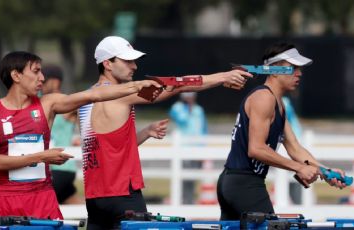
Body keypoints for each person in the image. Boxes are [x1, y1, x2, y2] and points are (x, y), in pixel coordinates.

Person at [80, 35, 252, 229]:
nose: (134, 66)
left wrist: (145, 132)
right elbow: (178, 86)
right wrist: (223, 76)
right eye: (127, 61)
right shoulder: (124, 95)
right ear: (107, 64)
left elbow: (110, 149)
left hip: (95, 199)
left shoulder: (86, 100)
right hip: (123, 197)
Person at [0, 51, 162, 219]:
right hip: (5, 198)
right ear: (16, 75)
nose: (42, 77)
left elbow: (93, 95)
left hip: (43, 199)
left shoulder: (48, 103)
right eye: (36, 71)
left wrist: (136, 86)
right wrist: (41, 157)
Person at [217, 42, 347, 221]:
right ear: (275, 70)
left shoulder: (279, 104)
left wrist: (325, 171)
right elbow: (256, 149)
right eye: (293, 68)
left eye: (299, 68)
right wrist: (299, 167)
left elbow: (295, 148)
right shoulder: (264, 98)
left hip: (237, 182)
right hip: (244, 184)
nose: (299, 73)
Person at [41, 65, 82, 204]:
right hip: (45, 165)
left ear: (55, 81)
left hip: (62, 167)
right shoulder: (40, 101)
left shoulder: (67, 103)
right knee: (77, 205)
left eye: (44, 81)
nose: (41, 83)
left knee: (40, 204)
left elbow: (91, 118)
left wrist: (84, 138)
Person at [169, 92, 207, 204]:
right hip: (183, 148)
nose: (190, 99)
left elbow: (203, 129)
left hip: (197, 148)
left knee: (192, 177)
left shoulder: (199, 110)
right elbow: (181, 121)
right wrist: (187, 108)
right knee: (183, 177)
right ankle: (183, 200)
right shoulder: (176, 108)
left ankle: (189, 201)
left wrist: (203, 148)